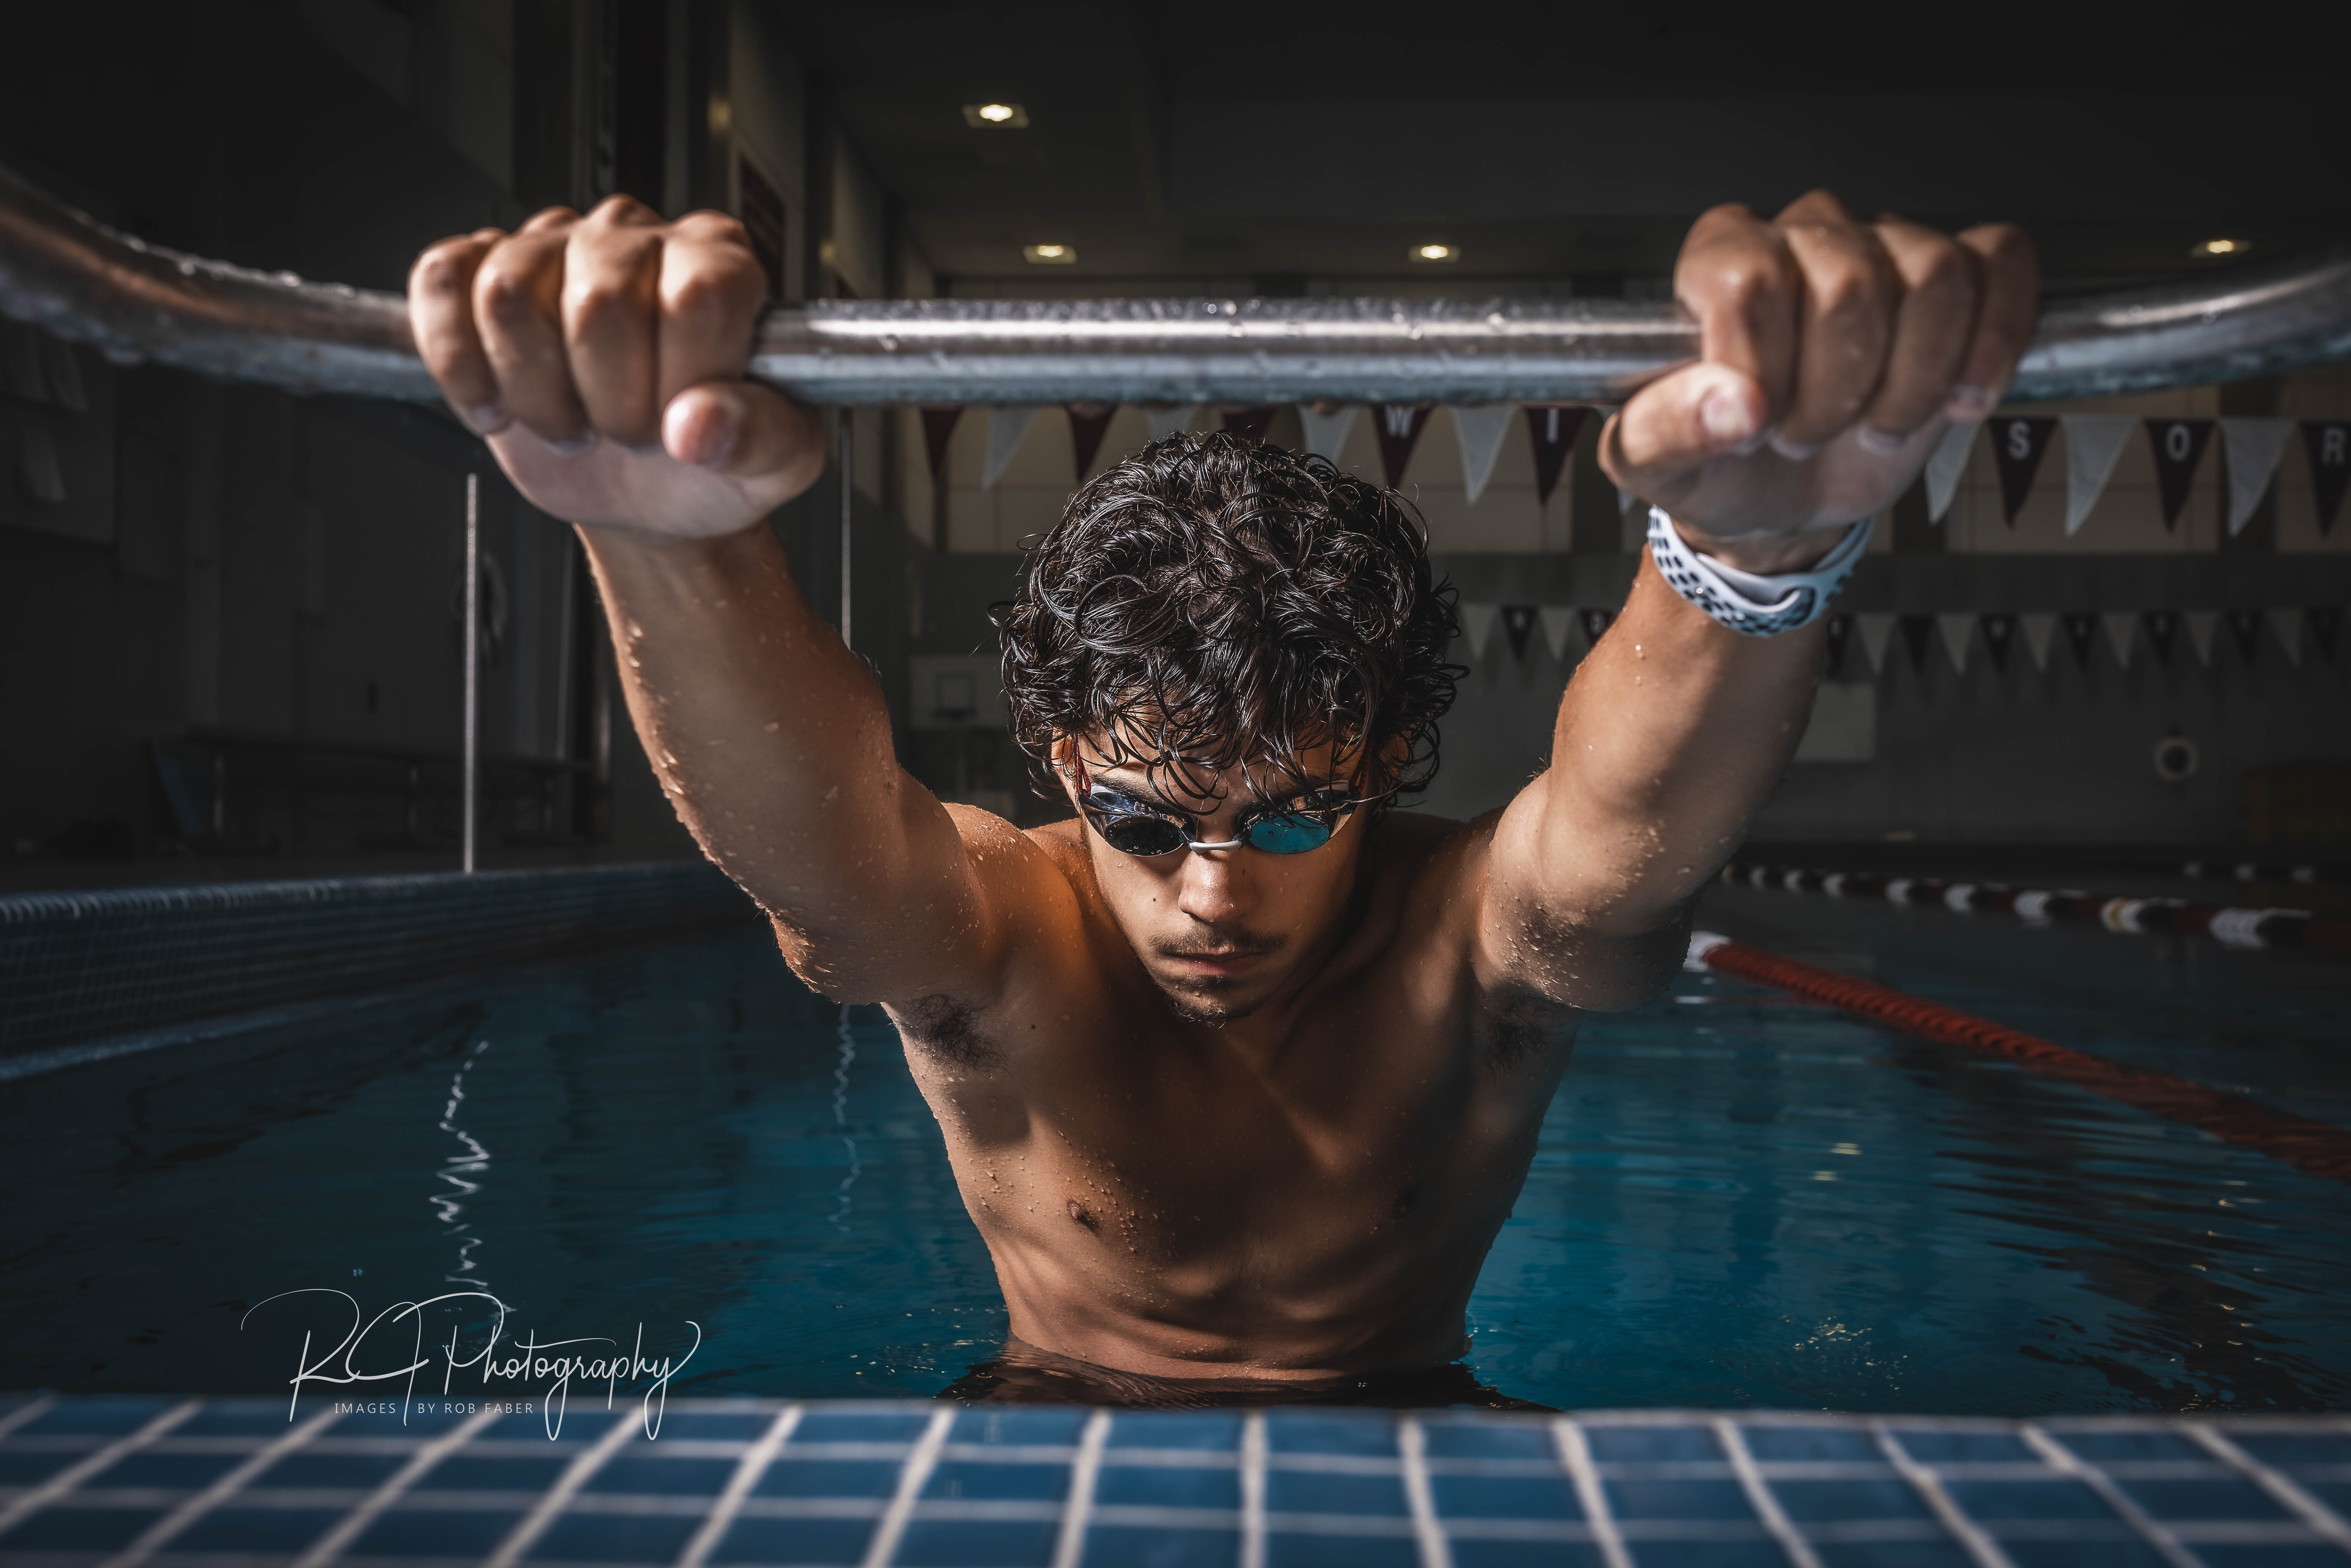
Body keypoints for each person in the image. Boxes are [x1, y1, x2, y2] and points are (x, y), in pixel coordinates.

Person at [408, 191, 2035, 1404]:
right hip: (1046, 1429)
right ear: (1063, 772)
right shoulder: (1004, 940)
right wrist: (663, 541)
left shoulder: (1464, 951)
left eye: (1283, 820)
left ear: (1383, 770)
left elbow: (1610, 851)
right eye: (1142, 824)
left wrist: (1747, 555)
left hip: (1414, 1437)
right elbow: (827, 867)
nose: (1211, 892)